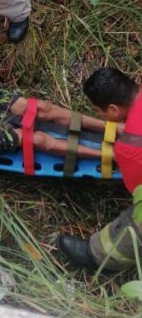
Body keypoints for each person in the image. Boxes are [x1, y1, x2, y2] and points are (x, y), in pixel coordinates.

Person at [58, 68, 142, 273]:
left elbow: (138, 191)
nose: (98, 115)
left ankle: (99, 256)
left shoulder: (130, 147)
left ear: (113, 109)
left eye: (98, 111)